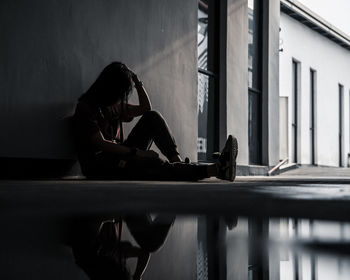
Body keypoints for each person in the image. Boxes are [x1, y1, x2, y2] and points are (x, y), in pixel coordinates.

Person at [73, 62, 238, 181]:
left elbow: (146, 108)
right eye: (120, 94)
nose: (121, 99)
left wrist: (137, 82)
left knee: (152, 117)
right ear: (109, 90)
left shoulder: (113, 107)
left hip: (121, 155)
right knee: (155, 163)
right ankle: (217, 169)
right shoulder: (86, 108)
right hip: (101, 166)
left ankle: (177, 162)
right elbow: (100, 144)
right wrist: (139, 153)